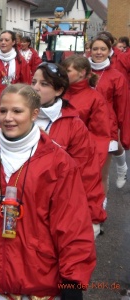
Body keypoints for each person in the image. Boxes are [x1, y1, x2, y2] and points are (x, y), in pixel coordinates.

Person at [0, 83, 96, 299]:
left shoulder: (59, 162)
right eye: (3, 110)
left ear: (34, 114)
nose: (8, 117)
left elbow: (72, 223)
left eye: (17, 111)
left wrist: (73, 280)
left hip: (38, 279)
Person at [31, 62, 107, 237]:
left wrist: (92, 216)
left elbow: (87, 173)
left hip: (58, 207)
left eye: (44, 84)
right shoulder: (17, 117)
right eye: (33, 82)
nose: (35, 88)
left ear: (59, 90)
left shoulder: (74, 125)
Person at [88, 35, 130, 190]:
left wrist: (122, 131)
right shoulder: (82, 72)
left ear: (109, 51)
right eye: (95, 49)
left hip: (106, 126)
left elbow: (123, 107)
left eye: (103, 49)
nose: (99, 52)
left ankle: (100, 210)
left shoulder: (116, 76)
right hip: (84, 125)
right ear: (89, 51)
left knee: (101, 173)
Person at [61, 55, 110, 170]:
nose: (63, 74)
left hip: (80, 158)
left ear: (82, 73)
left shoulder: (95, 98)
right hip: (57, 155)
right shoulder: (59, 92)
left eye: (67, 71)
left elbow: (100, 136)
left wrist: (92, 165)